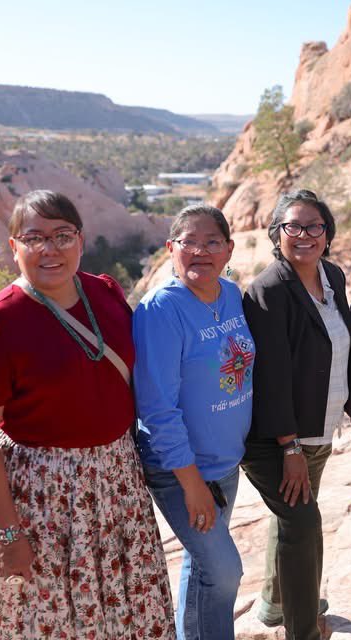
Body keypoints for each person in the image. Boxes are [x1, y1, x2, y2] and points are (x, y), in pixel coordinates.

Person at [0, 190, 175, 639]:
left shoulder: (105, 293)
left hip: (116, 490)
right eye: (34, 238)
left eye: (62, 235)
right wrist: (10, 536)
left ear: (81, 240)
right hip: (42, 500)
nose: (49, 249)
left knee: (127, 612)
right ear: (13, 247)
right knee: (48, 621)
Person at [133, 205, 254, 640]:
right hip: (183, 470)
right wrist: (191, 485)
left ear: (228, 250)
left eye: (212, 242)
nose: (200, 251)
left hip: (225, 463)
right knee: (225, 573)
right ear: (171, 249)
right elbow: (157, 410)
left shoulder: (233, 295)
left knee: (201, 566)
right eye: (188, 241)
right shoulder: (160, 311)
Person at [242, 189, 351, 640]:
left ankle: (274, 603)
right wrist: (288, 446)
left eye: (314, 226)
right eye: (293, 226)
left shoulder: (332, 276)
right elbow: (271, 377)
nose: (304, 235)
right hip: (281, 436)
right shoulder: (269, 290)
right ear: (277, 234)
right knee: (302, 524)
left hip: (321, 426)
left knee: (290, 518)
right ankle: (302, 629)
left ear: (327, 234)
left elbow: (341, 348)